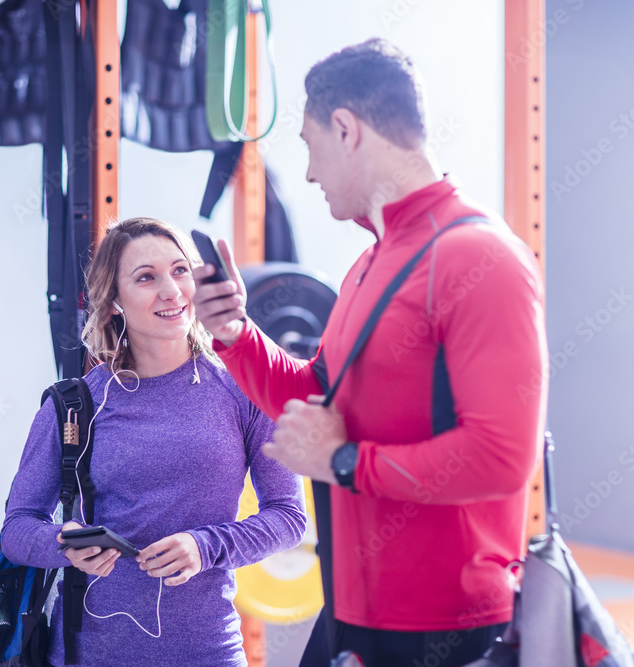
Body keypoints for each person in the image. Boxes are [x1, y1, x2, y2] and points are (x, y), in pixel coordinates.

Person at [193, 39, 548, 666]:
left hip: (442, 627)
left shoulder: (481, 259)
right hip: (354, 608)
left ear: (346, 129)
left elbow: (502, 458)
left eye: (308, 145)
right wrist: (235, 335)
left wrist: (347, 462)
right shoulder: (372, 262)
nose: (307, 172)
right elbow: (317, 396)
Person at [0, 217, 307, 666]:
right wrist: (63, 544)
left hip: (209, 652)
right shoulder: (76, 403)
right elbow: (17, 529)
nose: (171, 291)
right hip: (89, 655)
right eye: (146, 277)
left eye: (181, 271)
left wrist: (205, 547)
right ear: (114, 302)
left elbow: (289, 517)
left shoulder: (243, 391)